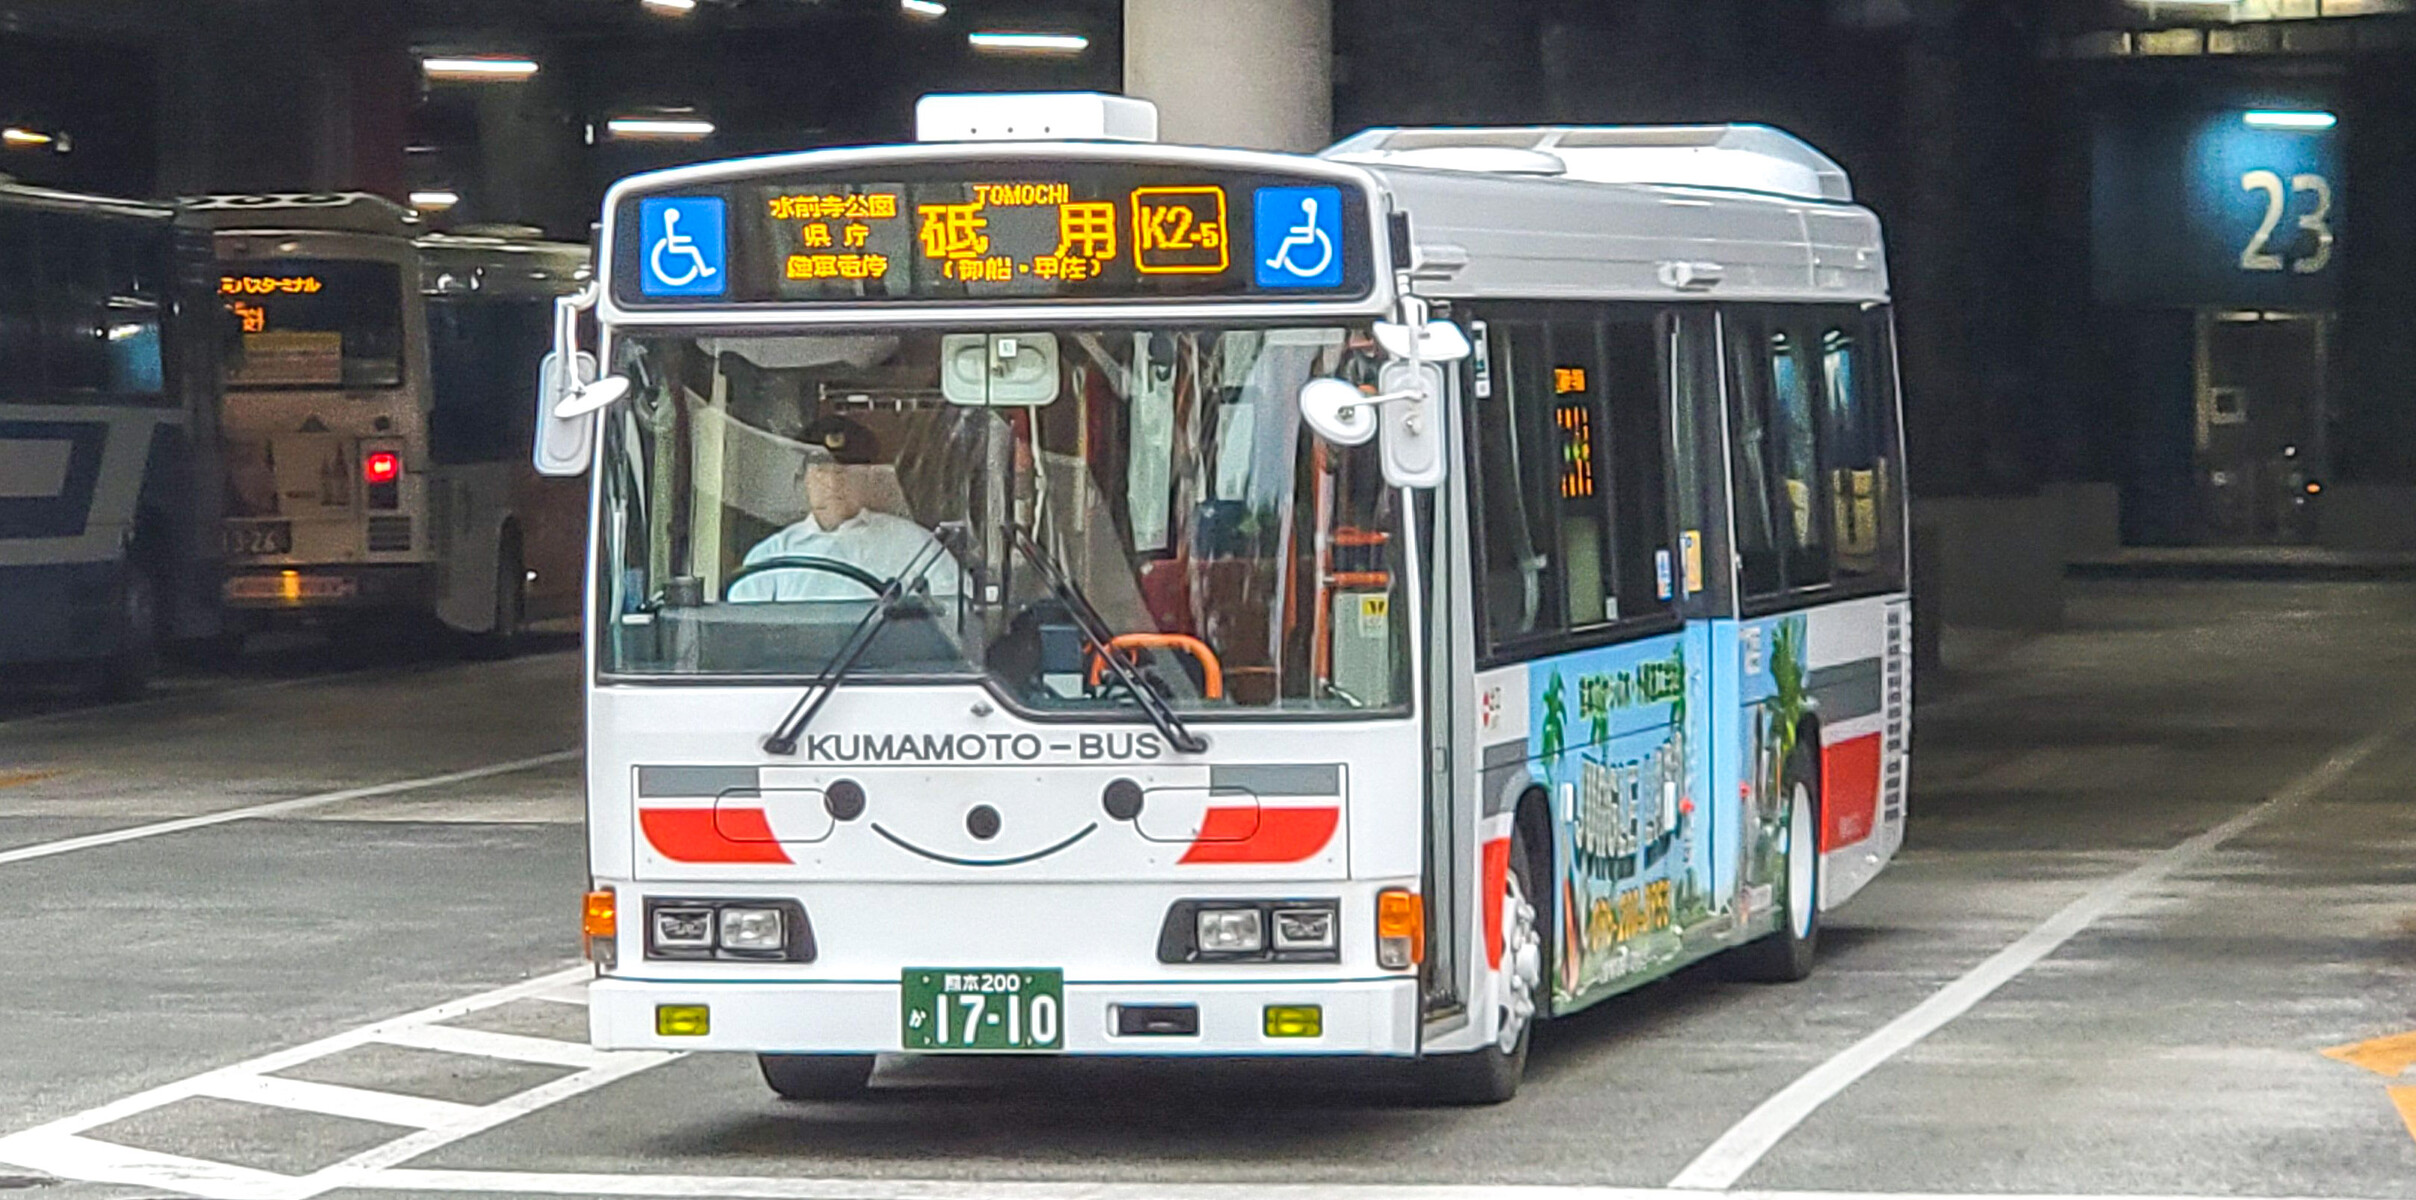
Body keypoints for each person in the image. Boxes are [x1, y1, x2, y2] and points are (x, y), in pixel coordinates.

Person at [727, 418, 964, 604]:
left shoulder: (914, 545)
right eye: (821, 471)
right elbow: (748, 641)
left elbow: (957, 613)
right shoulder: (772, 556)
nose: (832, 483)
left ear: (866, 479)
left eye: (843, 472)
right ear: (803, 480)